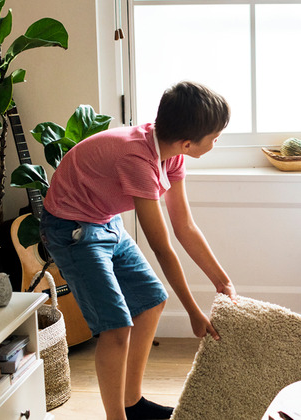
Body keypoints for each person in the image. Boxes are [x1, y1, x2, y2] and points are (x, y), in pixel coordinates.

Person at [40, 81, 238, 420]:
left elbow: (184, 227)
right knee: (116, 327)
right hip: (71, 229)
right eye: (215, 137)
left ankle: (133, 405)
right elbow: (163, 248)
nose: (216, 142)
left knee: (151, 301)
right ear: (188, 142)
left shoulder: (171, 155)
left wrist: (222, 281)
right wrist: (192, 310)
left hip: (104, 220)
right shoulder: (138, 159)